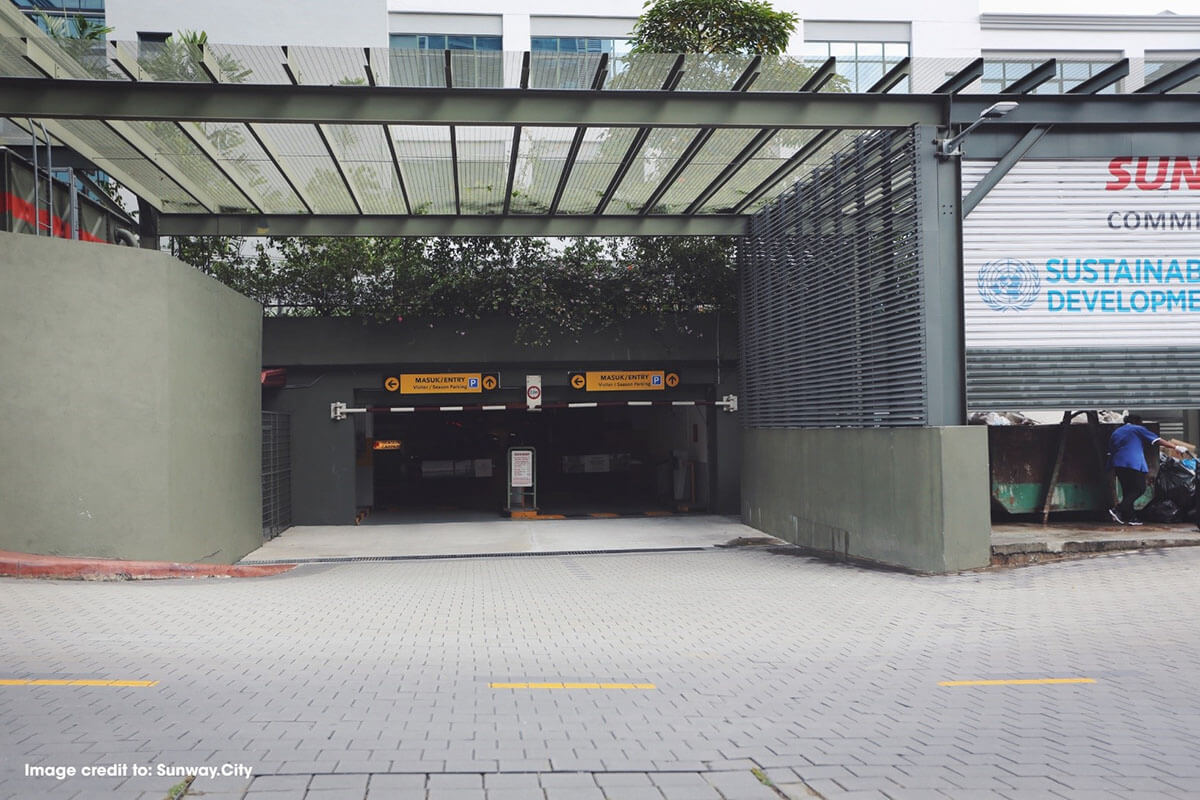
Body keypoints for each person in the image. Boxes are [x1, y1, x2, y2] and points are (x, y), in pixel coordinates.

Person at [1107, 414, 1190, 525]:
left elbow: (1111, 450)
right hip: (1133, 464)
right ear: (1137, 421)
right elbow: (1156, 440)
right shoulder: (1137, 429)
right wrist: (1175, 447)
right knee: (1140, 489)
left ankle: (1131, 518)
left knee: (1128, 492)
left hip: (1118, 464)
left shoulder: (1117, 432)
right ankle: (1117, 509)